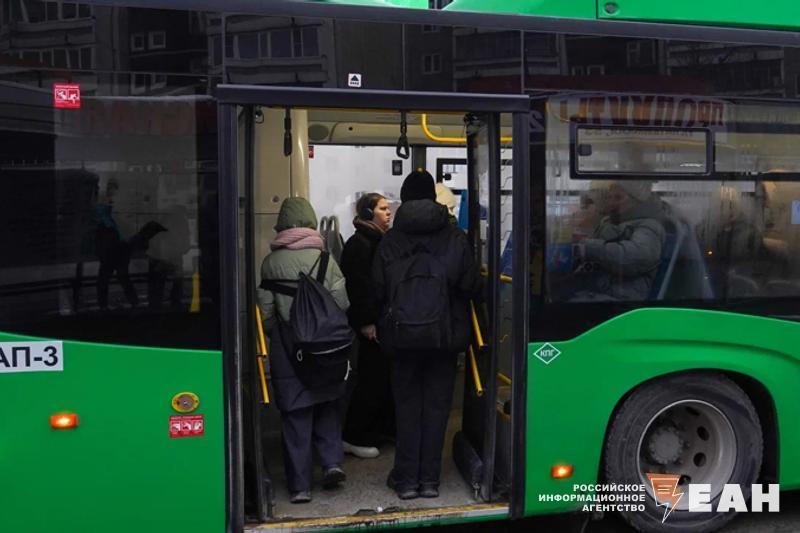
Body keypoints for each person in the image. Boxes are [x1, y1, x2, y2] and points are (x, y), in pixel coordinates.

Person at [372, 170, 481, 500]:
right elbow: (470, 285)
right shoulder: (455, 238)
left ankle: (406, 480)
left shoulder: (390, 240)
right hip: (443, 338)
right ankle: (430, 480)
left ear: (404, 198)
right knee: (436, 408)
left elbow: (377, 291)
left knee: (406, 409)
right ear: (433, 198)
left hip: (401, 339)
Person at [257, 197, 350, 504]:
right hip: (324, 344)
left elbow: (265, 312)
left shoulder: (270, 263)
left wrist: (281, 330)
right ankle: (332, 463)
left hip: (288, 345)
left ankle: (300, 486)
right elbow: (342, 303)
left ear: (282, 225)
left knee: (296, 413)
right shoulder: (325, 259)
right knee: (327, 403)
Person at [340, 193, 394, 459]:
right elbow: (358, 287)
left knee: (380, 378)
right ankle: (355, 435)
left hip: (380, 320)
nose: (389, 212)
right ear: (368, 213)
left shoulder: (376, 240)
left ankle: (377, 430)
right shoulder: (360, 244)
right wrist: (366, 322)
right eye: (383, 208)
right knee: (371, 380)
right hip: (370, 324)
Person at [570, 180, 667, 301]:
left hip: (622, 296)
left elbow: (635, 258)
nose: (611, 203)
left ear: (637, 200)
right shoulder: (609, 222)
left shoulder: (649, 226)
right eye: (609, 197)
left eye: (618, 198)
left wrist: (587, 247)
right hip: (598, 287)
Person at [94, 178, 139, 309]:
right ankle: (134, 302)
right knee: (121, 277)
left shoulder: (106, 210)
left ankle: (103, 306)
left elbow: (104, 223)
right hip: (118, 249)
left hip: (112, 249)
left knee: (106, 279)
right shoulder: (117, 209)